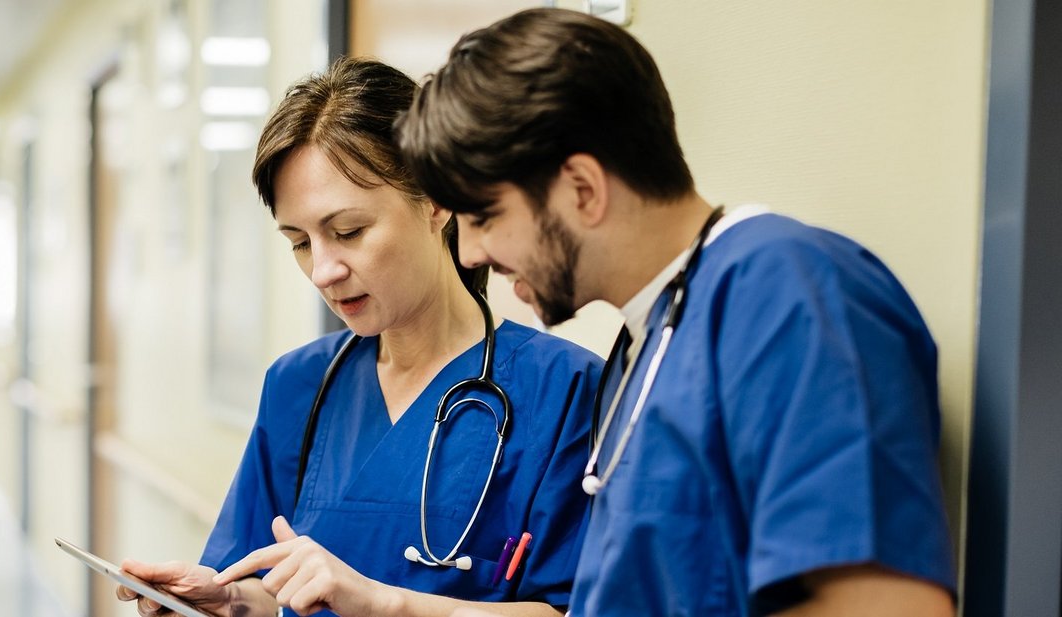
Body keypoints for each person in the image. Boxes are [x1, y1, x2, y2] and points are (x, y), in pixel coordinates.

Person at [395, 8, 956, 617]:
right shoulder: (649, 337)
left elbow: (884, 605)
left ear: (582, 188)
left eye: (485, 217)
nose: (472, 252)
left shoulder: (789, 294)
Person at [116, 57, 603, 617]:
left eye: (348, 231)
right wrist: (231, 601)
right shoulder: (299, 385)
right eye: (299, 242)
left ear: (436, 200)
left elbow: (577, 609)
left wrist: (383, 604)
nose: (323, 270)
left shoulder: (562, 390)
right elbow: (265, 579)